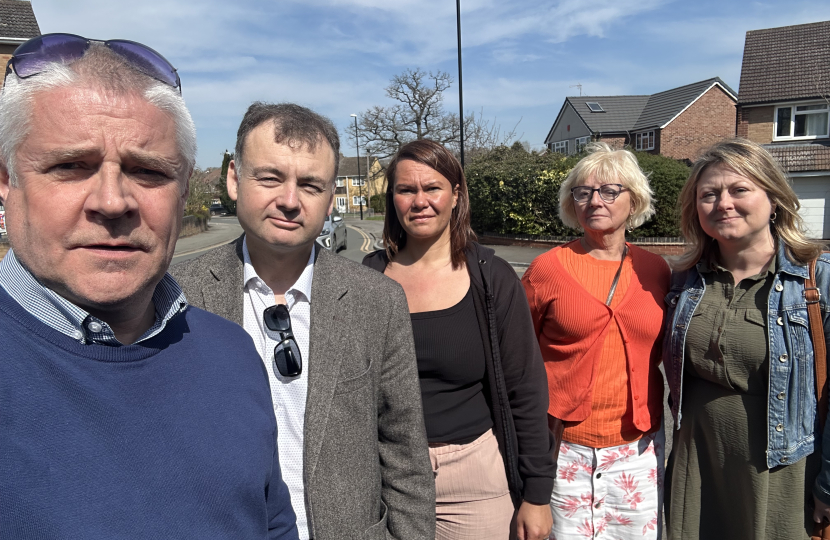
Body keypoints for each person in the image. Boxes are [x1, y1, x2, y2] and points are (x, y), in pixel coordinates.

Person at [0, 34, 297, 539]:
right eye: (71, 166)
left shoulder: (233, 354)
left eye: (148, 171)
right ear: (7, 183)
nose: (113, 202)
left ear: (183, 193)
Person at [171, 102, 434, 540]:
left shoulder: (378, 300)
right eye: (270, 177)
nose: (290, 201)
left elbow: (405, 452)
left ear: (331, 198)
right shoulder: (177, 295)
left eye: (310, 185)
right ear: (235, 179)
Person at [362, 139, 556, 540]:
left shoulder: (491, 278)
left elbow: (527, 390)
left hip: (472, 480)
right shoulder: (368, 278)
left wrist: (537, 495)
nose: (420, 201)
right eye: (405, 190)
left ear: (456, 195)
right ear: (392, 200)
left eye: (432, 188)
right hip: (388, 478)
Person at [663, 138, 830, 539]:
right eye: (709, 194)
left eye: (739, 189)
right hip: (697, 460)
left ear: (773, 199)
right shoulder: (685, 279)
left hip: (782, 468)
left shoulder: (816, 278)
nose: (723, 203)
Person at [522, 142, 670, 539]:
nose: (594, 201)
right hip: (564, 448)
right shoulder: (547, 269)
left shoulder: (655, 270)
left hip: (637, 450)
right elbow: (518, 354)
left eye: (609, 191)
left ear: (634, 199)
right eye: (583, 192)